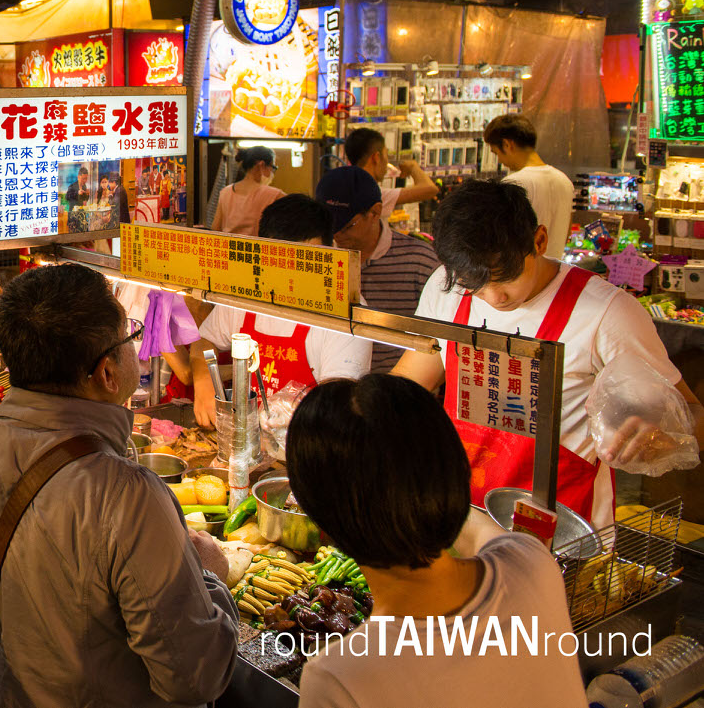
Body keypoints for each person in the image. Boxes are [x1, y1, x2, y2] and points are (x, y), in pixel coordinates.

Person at [0, 263, 238, 708]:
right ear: (107, 374)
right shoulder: (128, 498)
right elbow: (193, 678)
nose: (136, 347)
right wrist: (210, 576)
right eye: (129, 337)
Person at [391, 180, 701, 526]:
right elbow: (412, 381)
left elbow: (691, 414)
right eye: (474, 285)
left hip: (562, 527)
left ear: (538, 241)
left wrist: (661, 436)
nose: (495, 298)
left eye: (505, 277)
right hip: (462, 513)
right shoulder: (444, 287)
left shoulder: (608, 313)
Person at [288, 374, 587, 708]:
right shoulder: (533, 564)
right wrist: (421, 490)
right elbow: (477, 528)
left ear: (322, 526)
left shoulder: (339, 678)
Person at [187, 195, 371, 428]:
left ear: (328, 252)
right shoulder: (251, 290)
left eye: (306, 262)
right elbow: (204, 341)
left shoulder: (343, 310)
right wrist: (205, 380)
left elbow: (336, 407)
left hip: (308, 446)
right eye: (281, 262)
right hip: (250, 442)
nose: (292, 274)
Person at [316, 166, 440, 375]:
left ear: (375, 212)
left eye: (346, 226)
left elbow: (440, 340)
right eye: (329, 226)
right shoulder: (319, 257)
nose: (336, 235)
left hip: (395, 391)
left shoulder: (420, 262)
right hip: (329, 385)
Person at [483, 114, 574, 257]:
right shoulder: (565, 181)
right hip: (554, 272)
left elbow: (501, 238)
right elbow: (567, 232)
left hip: (522, 275)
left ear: (507, 145)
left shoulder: (512, 184)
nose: (500, 160)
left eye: (496, 153)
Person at [343, 127, 438, 218]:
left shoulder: (349, 186)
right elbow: (430, 189)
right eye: (386, 155)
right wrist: (413, 166)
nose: (387, 162)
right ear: (376, 157)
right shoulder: (373, 195)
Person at [213, 145, 285, 236]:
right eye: (273, 167)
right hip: (257, 249)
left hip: (229, 248)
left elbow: (215, 228)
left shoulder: (225, 192)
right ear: (261, 165)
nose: (272, 173)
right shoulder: (275, 195)